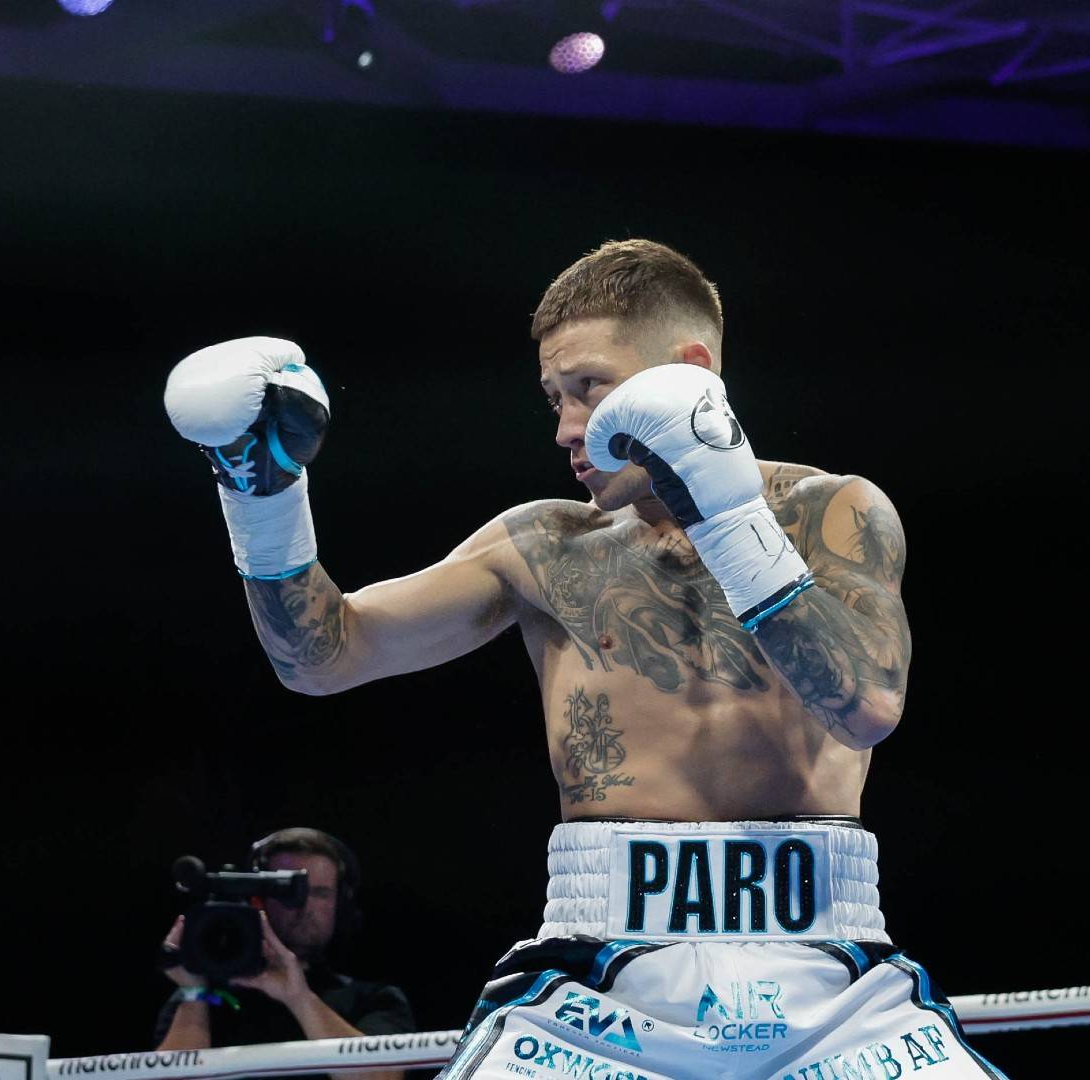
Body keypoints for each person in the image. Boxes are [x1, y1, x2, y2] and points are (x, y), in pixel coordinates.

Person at [162, 240, 1002, 1079]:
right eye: (554, 398)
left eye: (590, 389)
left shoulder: (831, 510)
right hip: (598, 981)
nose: (567, 428)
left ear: (690, 373)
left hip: (828, 971)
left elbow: (867, 706)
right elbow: (322, 657)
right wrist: (261, 492)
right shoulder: (547, 547)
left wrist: (723, 507)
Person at [155, 828, 414, 1080]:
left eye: (320, 893)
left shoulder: (375, 999)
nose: (305, 905)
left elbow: (381, 1077)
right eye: (287, 890)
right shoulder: (202, 998)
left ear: (341, 905)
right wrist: (194, 993)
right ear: (258, 900)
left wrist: (298, 997)